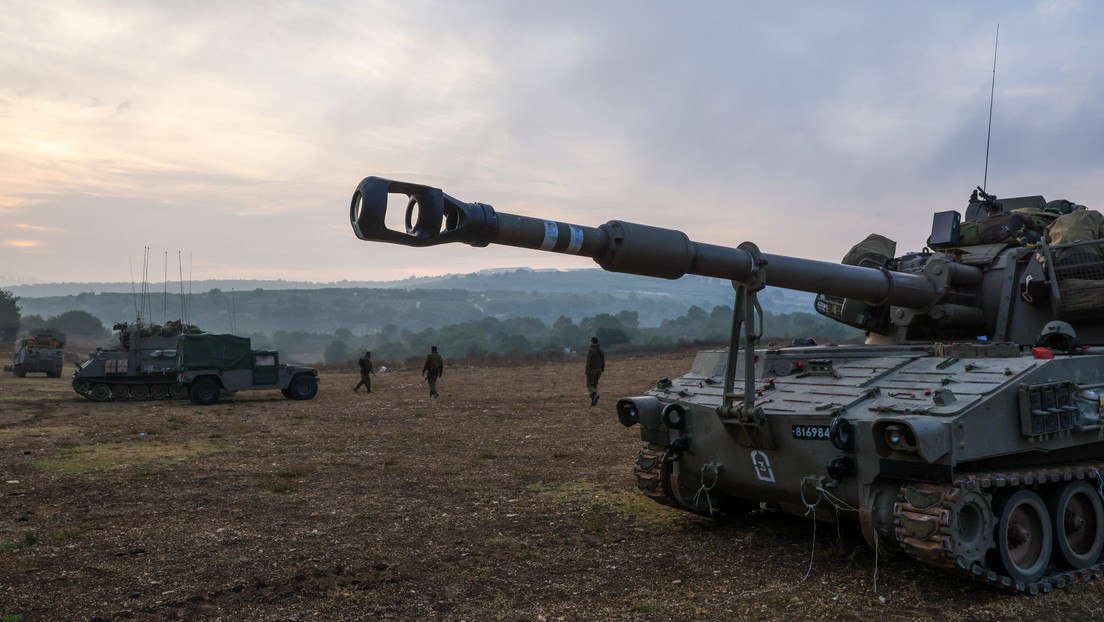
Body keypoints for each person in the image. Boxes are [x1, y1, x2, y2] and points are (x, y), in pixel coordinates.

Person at [585, 336, 604, 406]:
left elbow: (588, 363)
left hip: (592, 370)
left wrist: (587, 372)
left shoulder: (591, 350)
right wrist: (602, 369)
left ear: (592, 342)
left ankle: (595, 395)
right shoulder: (601, 350)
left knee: (590, 385)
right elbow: (603, 361)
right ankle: (593, 401)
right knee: (595, 385)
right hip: (599, 370)